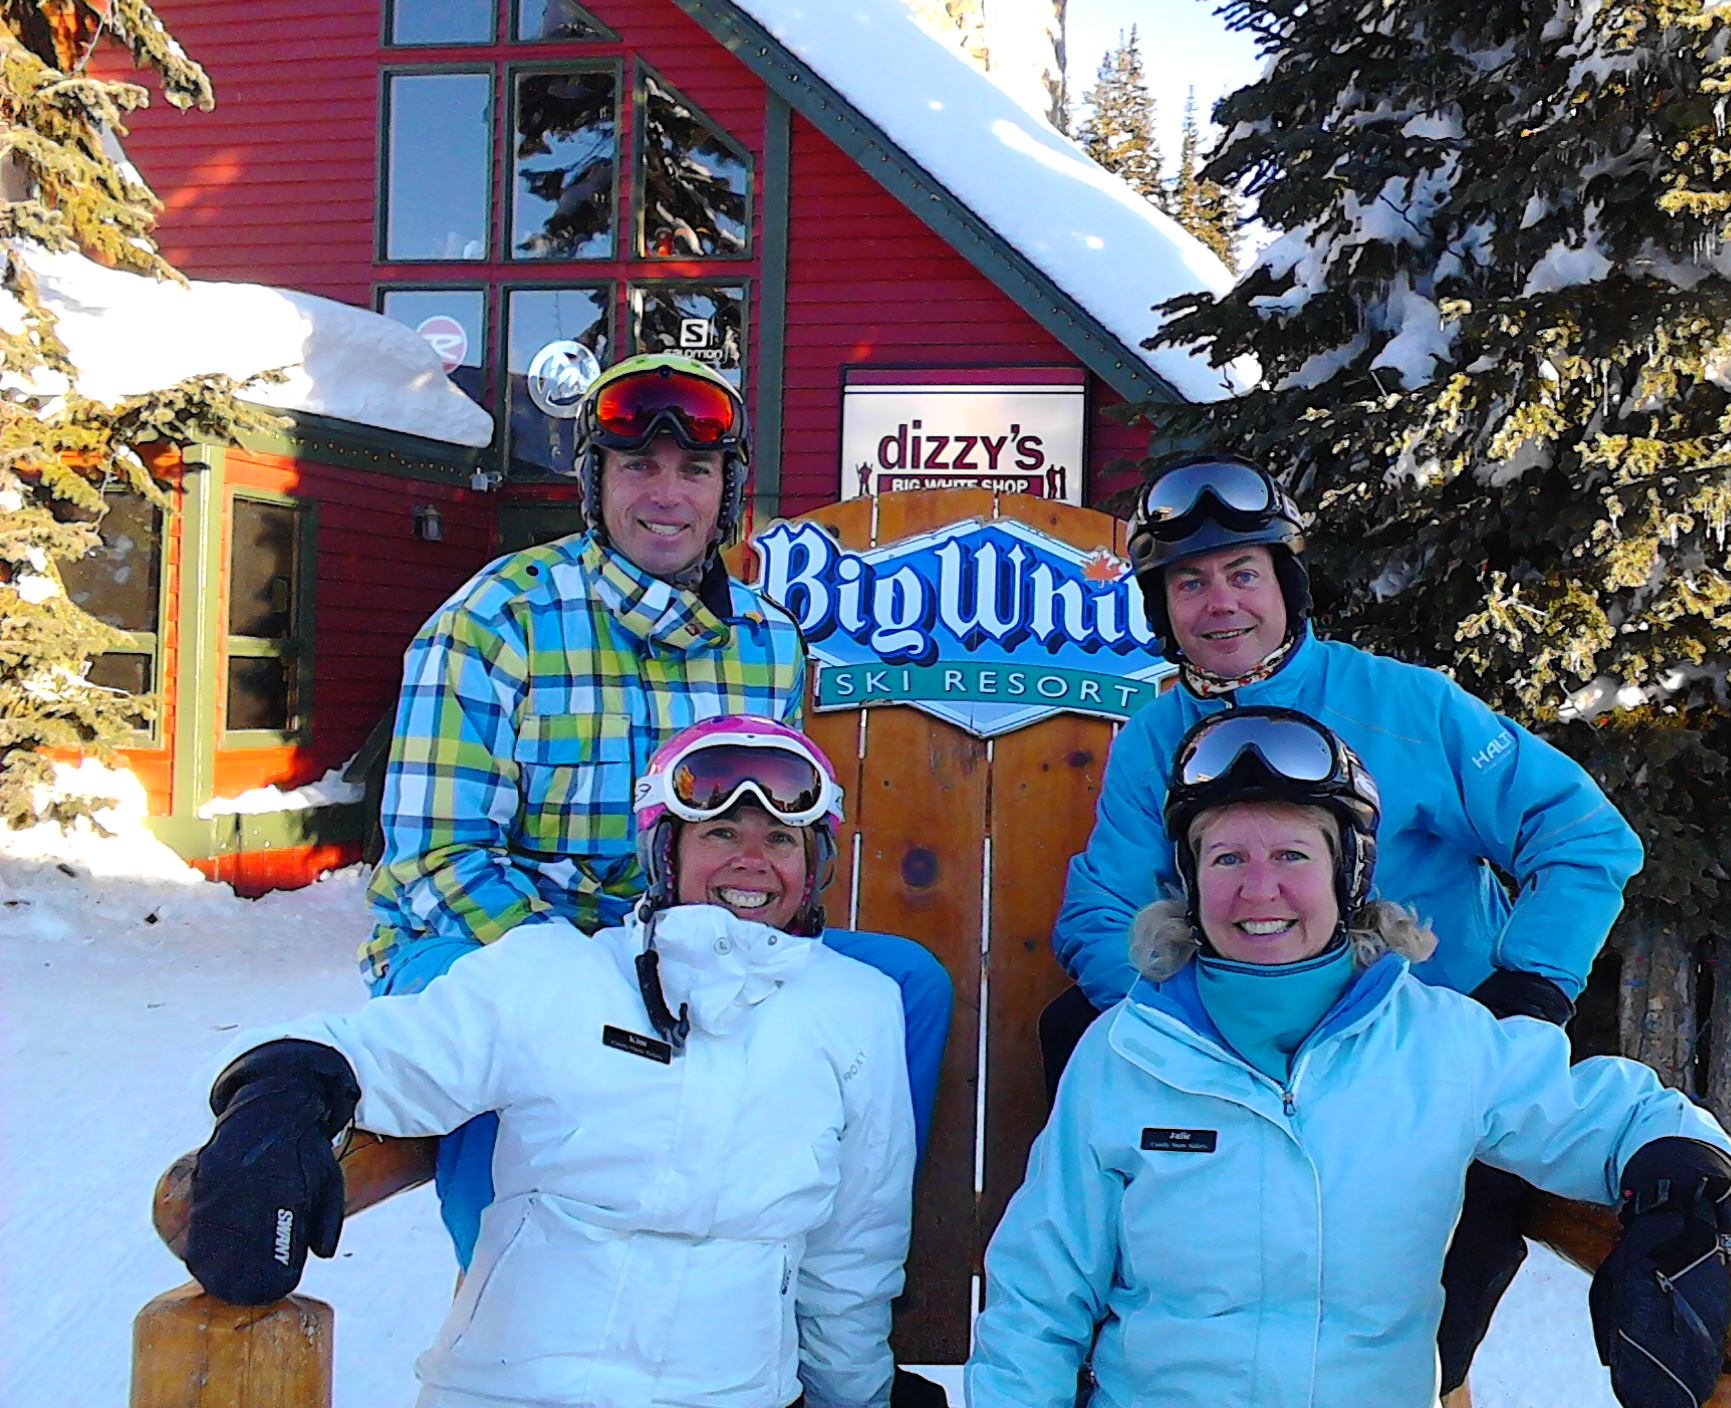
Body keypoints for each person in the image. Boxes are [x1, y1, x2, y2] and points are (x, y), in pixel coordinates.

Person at [1045, 452, 1646, 1392]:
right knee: (1076, 1030)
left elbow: (1583, 836)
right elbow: (1101, 909)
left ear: (1286, 584)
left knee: (1428, 1267)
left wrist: (1528, 988)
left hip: (1416, 1058)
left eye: (1243, 573)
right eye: (1189, 583)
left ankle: (1424, 1372)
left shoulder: (1406, 706)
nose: (1220, 604)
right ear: (1162, 609)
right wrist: (1184, 1034)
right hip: (1240, 1052)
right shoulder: (1154, 740)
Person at [972, 708, 1731, 1408]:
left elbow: (1607, 1114)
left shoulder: (1438, 1043)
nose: (1259, 889)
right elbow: (1039, 1298)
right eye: (1227, 859)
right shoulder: (1127, 1053)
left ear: (1348, 874)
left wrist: (1679, 1179)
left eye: (1292, 855)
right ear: (1191, 881)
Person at [361, 354, 950, 1267]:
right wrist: (595, 980)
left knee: (904, 984)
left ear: (727, 491)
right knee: (504, 1036)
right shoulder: (499, 618)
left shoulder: (765, 640)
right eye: (639, 466)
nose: (667, 495)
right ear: (596, 484)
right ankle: (506, 1290)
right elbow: (436, 862)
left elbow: (779, 832)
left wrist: (748, 947)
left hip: (690, 943)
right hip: (502, 939)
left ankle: (823, 1261)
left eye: (695, 470)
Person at [184, 717, 913, 1408]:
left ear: (812, 864)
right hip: (513, 1389)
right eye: (720, 832)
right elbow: (380, 1053)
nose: (751, 860)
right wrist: (278, 1099)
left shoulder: (854, 1009)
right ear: (666, 852)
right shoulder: (556, 975)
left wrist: (854, 1396)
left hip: (729, 1391)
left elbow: (853, 1249)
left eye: (781, 839)